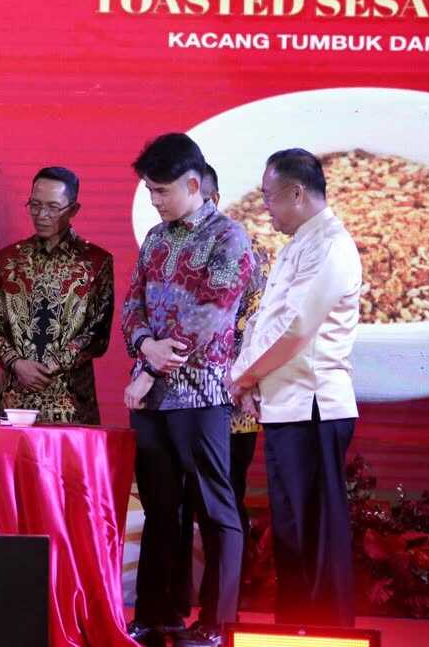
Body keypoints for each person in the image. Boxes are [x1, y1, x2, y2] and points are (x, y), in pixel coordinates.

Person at [121, 134, 254, 647]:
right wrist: (143, 345)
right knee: (158, 508)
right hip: (153, 400)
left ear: (193, 184)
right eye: (149, 190)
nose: (154, 200)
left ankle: (218, 623)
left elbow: (210, 316)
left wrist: (152, 366)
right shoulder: (157, 238)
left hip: (200, 398)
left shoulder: (229, 237)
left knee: (214, 509)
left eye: (160, 191)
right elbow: (134, 301)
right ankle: (157, 614)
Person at [229, 149, 362, 627]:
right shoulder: (299, 242)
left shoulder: (331, 244)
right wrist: (248, 376)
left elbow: (295, 327)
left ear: (297, 193)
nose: (265, 206)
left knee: (316, 534)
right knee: (292, 532)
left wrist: (242, 376)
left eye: (269, 197)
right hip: (287, 407)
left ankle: (324, 631)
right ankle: (296, 627)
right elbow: (269, 322)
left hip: (314, 406)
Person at [173, 165, 267, 620]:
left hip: (233, 406)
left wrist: (243, 383)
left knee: (220, 508)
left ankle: (221, 609)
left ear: (210, 195)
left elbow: (257, 332)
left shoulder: (247, 249)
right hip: (180, 403)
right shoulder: (169, 247)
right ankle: (179, 606)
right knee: (180, 507)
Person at [0, 166, 113, 424]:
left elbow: (97, 332)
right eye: (35, 205)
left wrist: (49, 367)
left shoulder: (95, 261)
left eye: (53, 207)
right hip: (14, 399)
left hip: (71, 402)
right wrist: (17, 363)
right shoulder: (9, 259)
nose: (41, 215)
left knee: (69, 465)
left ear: (73, 210)